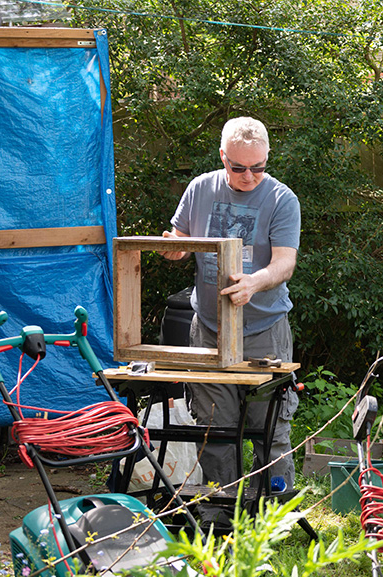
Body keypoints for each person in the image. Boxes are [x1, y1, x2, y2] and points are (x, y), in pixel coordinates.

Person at [160, 116, 301, 527]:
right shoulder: (200, 188)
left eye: (257, 167)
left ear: (267, 158)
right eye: (238, 167)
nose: (249, 176)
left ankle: (274, 518)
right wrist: (173, 249)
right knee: (213, 427)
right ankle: (222, 513)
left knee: (269, 426)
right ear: (223, 157)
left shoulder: (281, 199)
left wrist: (254, 283)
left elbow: (285, 263)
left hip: (263, 331)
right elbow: (180, 240)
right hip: (208, 329)